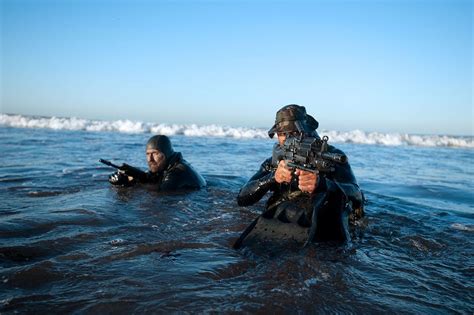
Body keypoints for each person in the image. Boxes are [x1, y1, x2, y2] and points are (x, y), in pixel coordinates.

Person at [235, 104, 364, 246]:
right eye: (282, 134)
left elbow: (356, 194)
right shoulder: (275, 161)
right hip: (284, 220)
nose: (287, 138)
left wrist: (323, 184)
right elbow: (242, 198)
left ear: (307, 131)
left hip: (324, 220)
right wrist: (272, 178)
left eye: (294, 133)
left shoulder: (331, 157)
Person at [108, 135, 206, 191]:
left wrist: (129, 183)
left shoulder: (178, 171)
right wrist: (129, 175)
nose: (150, 159)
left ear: (166, 154)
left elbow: (161, 191)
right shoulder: (167, 165)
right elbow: (151, 178)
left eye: (155, 153)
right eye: (147, 154)